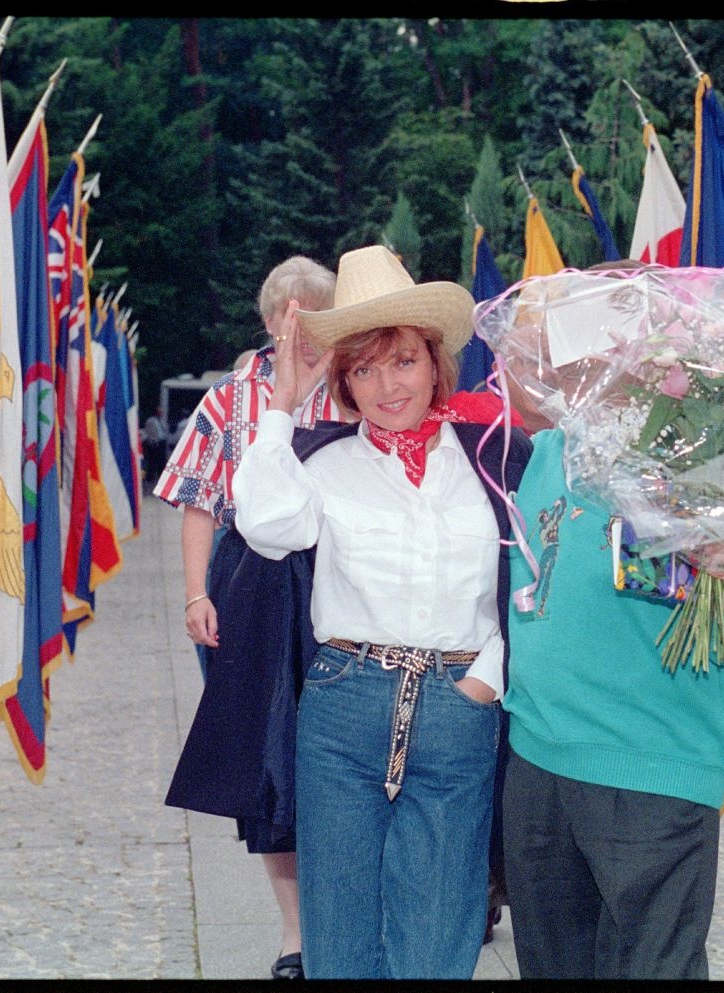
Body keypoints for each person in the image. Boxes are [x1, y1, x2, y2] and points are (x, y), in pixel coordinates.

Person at [231, 244, 531, 979]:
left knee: (437, 940)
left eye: (402, 361)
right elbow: (265, 524)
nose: (387, 385)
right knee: (338, 943)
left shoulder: (495, 459)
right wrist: (281, 403)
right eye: (362, 369)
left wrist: (484, 680)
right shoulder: (323, 465)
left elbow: (532, 576)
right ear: (343, 384)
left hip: (458, 709)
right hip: (343, 711)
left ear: (435, 362)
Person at [496, 262, 724, 980]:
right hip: (539, 761)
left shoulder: (711, 453)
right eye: (523, 354)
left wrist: (720, 575)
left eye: (541, 354)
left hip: (653, 768)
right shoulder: (544, 456)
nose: (520, 370)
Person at [154, 254, 347, 980]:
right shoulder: (228, 400)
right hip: (246, 587)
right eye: (286, 315)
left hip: (335, 587)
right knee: (266, 763)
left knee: (332, 754)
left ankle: (346, 913)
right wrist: (195, 594)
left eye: (313, 314)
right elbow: (200, 503)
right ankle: (296, 933)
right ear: (268, 321)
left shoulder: (358, 391)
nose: (298, 330)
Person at [141, 405, 168, 484]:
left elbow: (164, 431)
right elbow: (150, 432)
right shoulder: (151, 421)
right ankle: (150, 478)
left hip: (162, 442)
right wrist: (153, 441)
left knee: (162, 461)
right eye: (160, 411)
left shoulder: (161, 421)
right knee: (153, 462)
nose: (161, 413)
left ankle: (161, 478)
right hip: (154, 443)